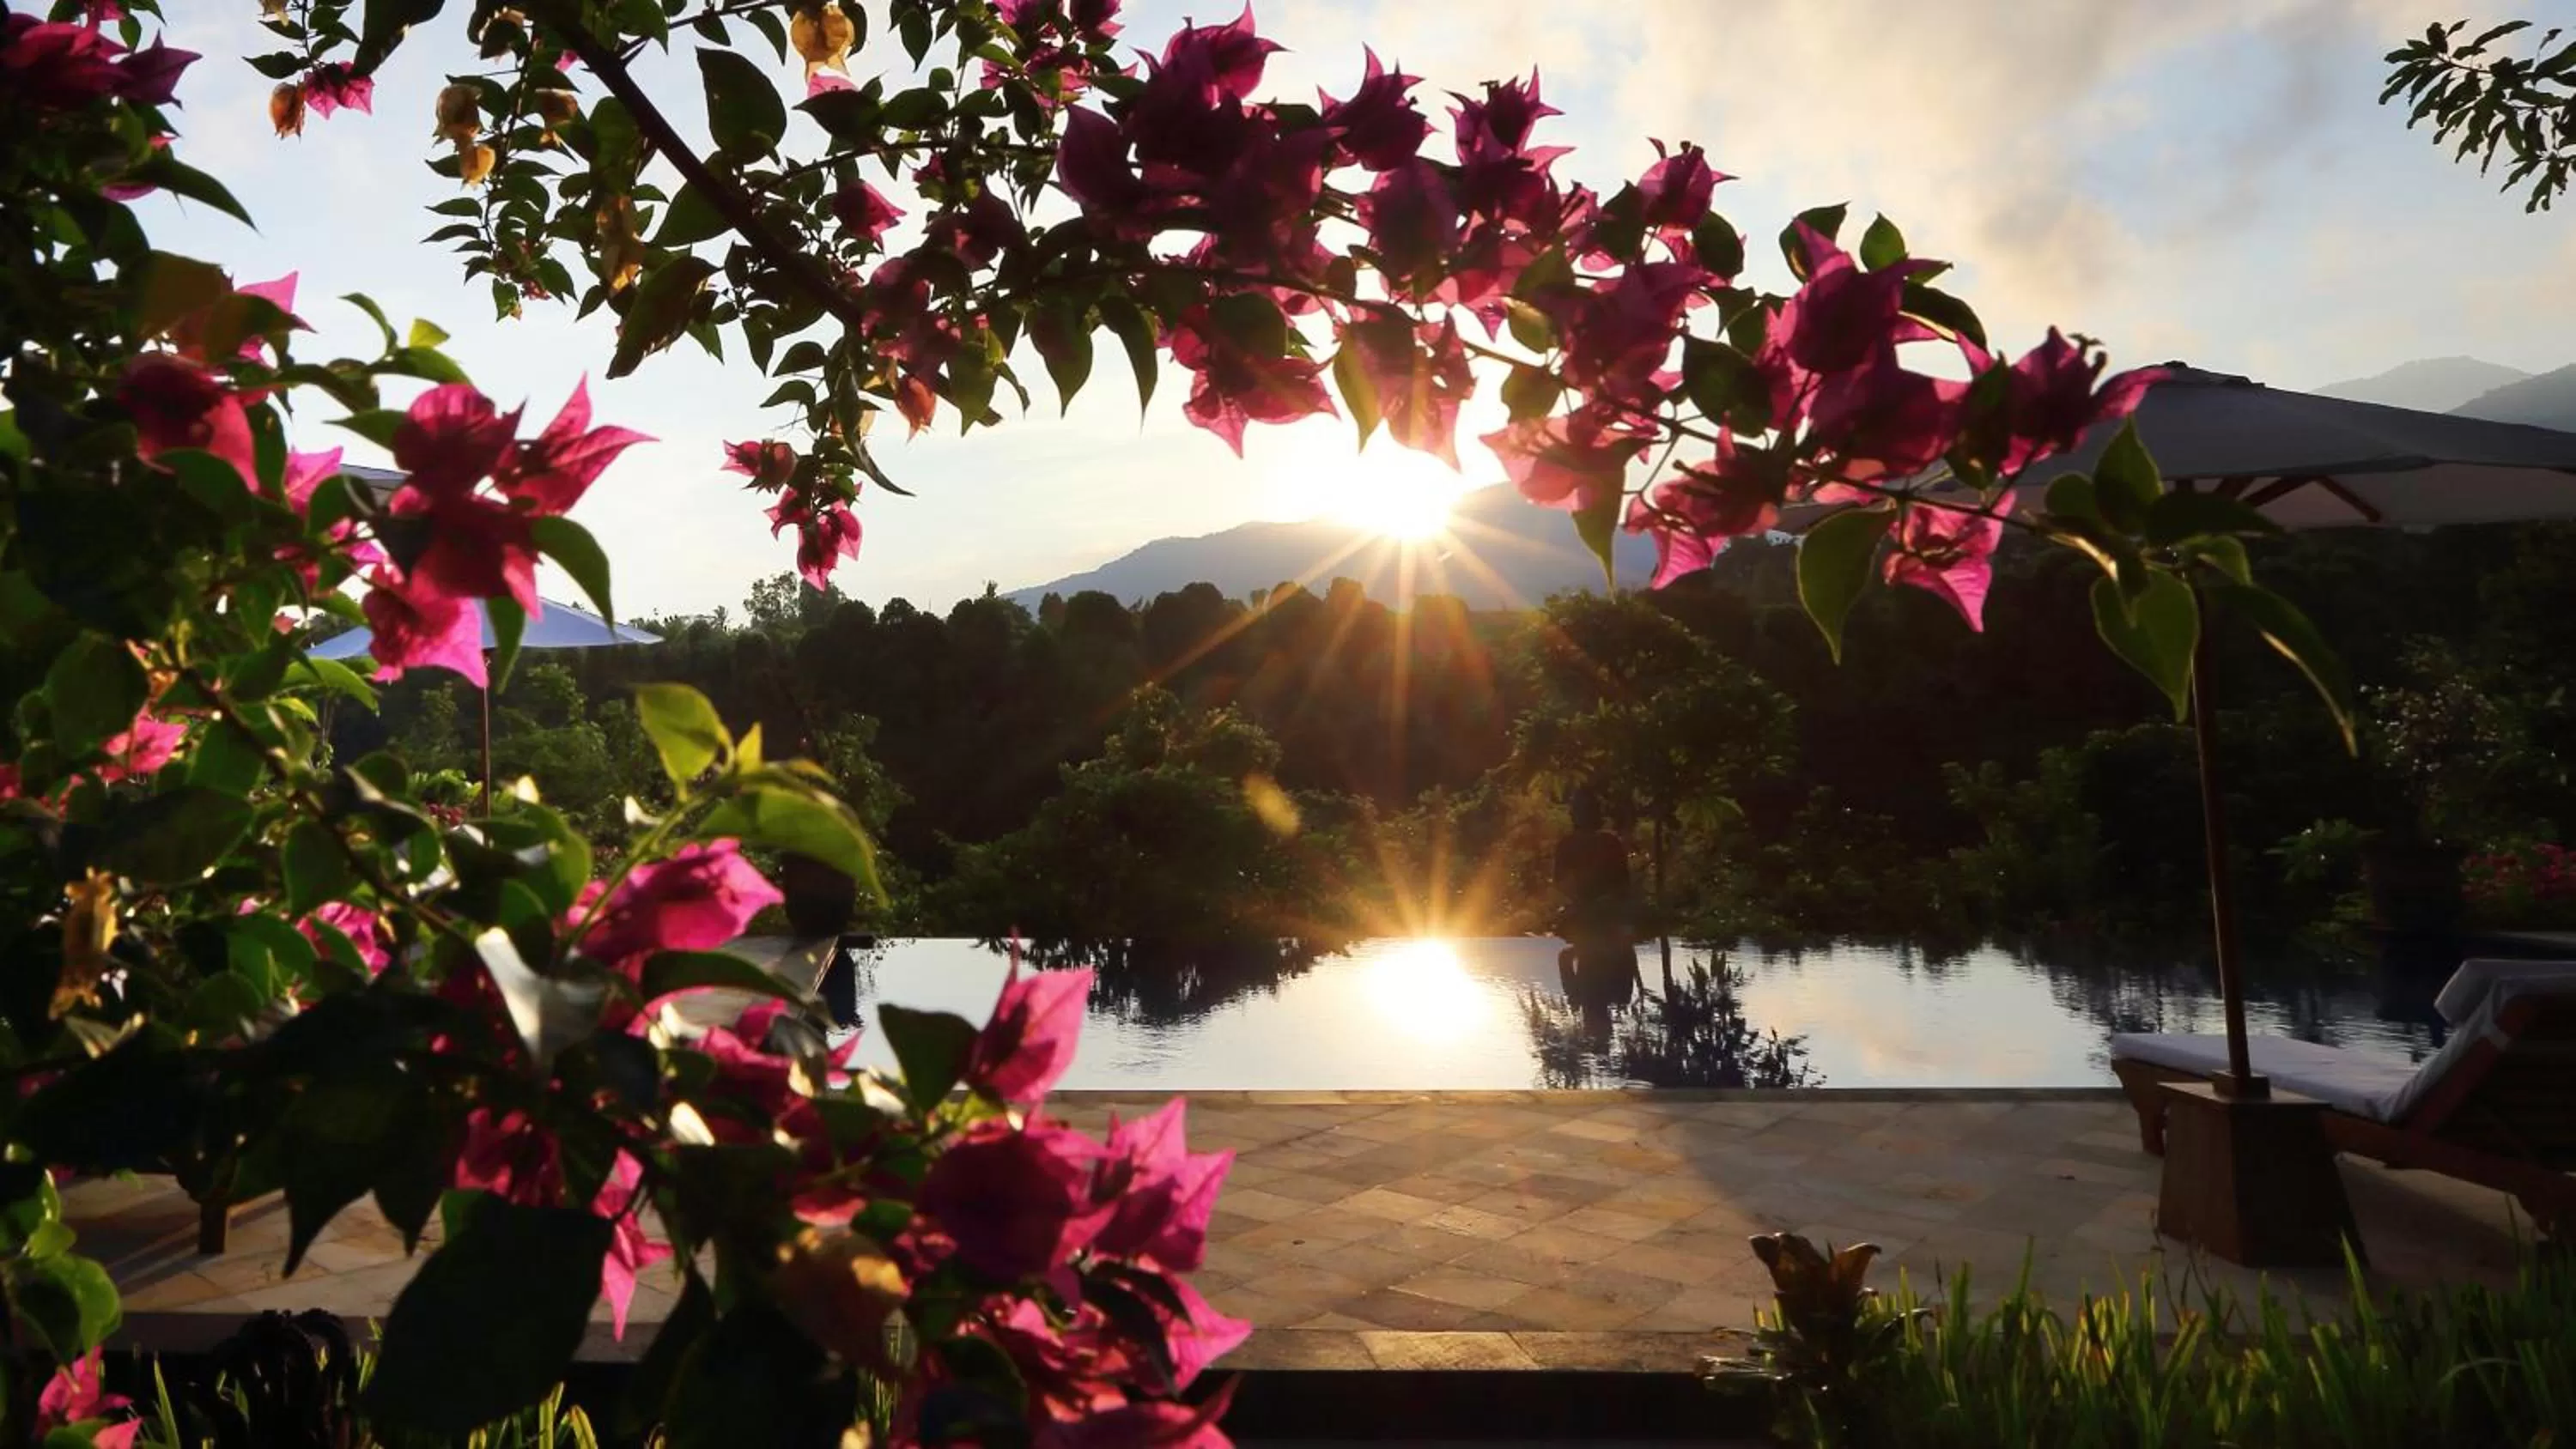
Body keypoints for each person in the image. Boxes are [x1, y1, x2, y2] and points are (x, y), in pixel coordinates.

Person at [1553, 791, 1639, 1011]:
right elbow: (1562, 882)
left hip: (1604, 912)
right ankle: (1582, 996)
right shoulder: (1571, 844)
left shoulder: (1607, 842)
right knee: (1578, 956)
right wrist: (1581, 901)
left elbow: (1622, 883)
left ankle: (1601, 996)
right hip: (1588, 913)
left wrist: (1602, 901)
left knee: (1619, 950)